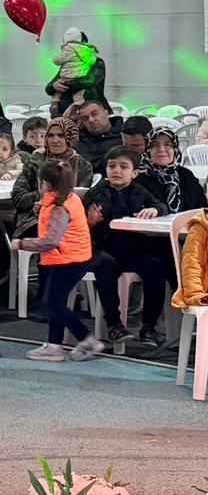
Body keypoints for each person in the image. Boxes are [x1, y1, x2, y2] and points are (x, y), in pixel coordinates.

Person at [13, 161, 103, 362]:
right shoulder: (69, 198)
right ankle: (54, 345)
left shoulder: (59, 208)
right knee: (55, 302)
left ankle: (86, 339)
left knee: (52, 303)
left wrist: (21, 243)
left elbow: (50, 241)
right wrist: (41, 208)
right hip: (71, 257)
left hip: (68, 260)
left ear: (45, 183)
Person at [85, 147, 171, 348]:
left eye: (123, 167)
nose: (117, 170)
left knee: (156, 267)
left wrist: (154, 209)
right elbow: (76, 225)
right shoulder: (95, 193)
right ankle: (114, 324)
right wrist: (89, 221)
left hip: (131, 249)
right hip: (102, 248)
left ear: (134, 173)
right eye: (112, 166)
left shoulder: (139, 191)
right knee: (106, 265)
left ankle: (148, 327)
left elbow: (162, 206)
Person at [11, 117, 93, 239]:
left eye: (61, 136)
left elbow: (82, 201)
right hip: (33, 220)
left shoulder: (82, 166)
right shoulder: (35, 162)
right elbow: (18, 198)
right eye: (50, 136)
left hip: (69, 220)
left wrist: (50, 198)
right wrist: (42, 197)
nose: (55, 140)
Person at [139, 128, 208, 215]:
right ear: (148, 150)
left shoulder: (186, 175)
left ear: (175, 149)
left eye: (167, 144)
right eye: (155, 145)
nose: (161, 149)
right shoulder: (139, 178)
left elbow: (201, 208)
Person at [47, 30, 106, 116]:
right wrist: (54, 86)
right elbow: (49, 87)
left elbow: (89, 81)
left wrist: (66, 83)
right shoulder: (68, 65)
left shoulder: (97, 63)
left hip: (88, 112)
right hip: (63, 113)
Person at [74, 98, 123, 171]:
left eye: (94, 114)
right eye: (85, 119)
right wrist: (66, 118)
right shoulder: (78, 140)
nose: (91, 120)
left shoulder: (124, 134)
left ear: (106, 112)